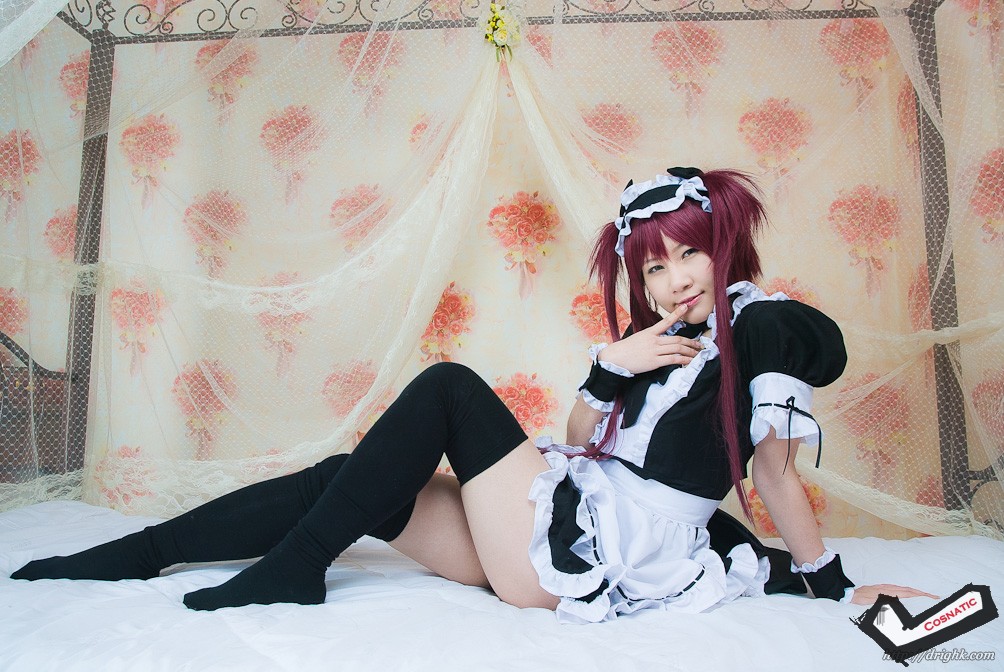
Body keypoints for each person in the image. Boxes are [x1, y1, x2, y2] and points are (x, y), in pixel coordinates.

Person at [10, 167, 932, 622]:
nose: (675, 279)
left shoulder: (761, 325)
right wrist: (613, 366)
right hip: (574, 508)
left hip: (611, 544)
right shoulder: (662, 340)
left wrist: (831, 584)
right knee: (349, 481)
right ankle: (142, 554)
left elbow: (771, 471)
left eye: (689, 253)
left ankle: (296, 569)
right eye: (655, 268)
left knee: (449, 387)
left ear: (723, 244)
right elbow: (583, 435)